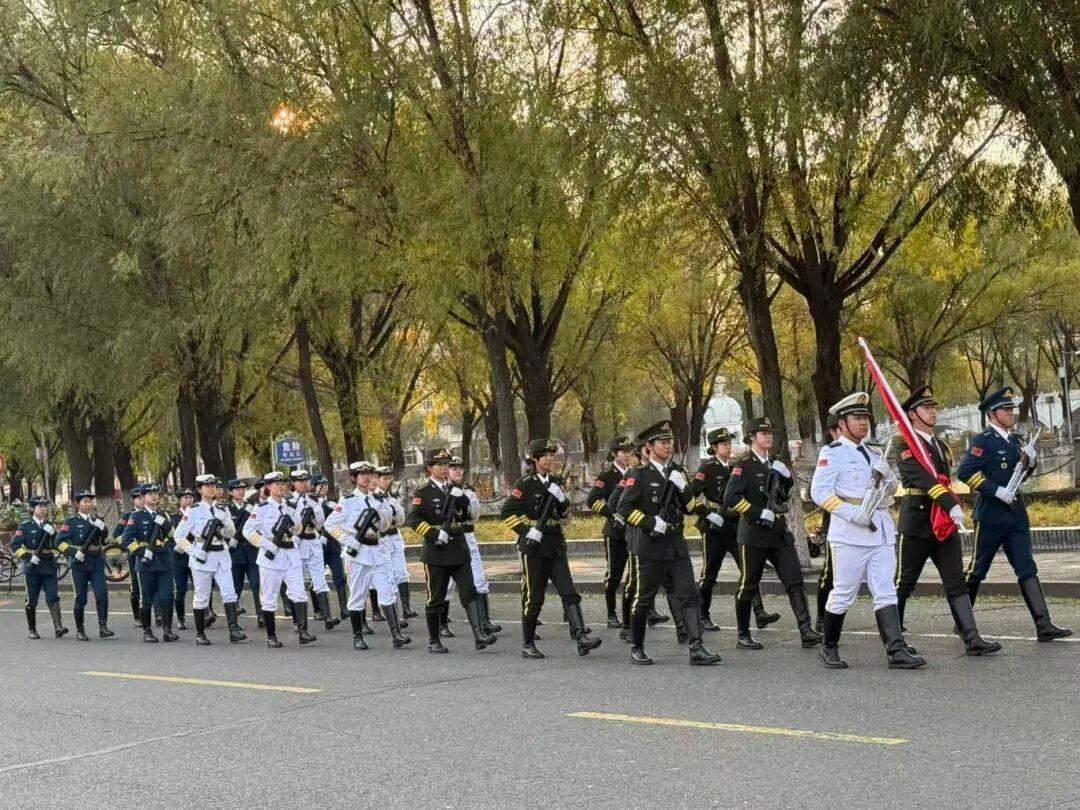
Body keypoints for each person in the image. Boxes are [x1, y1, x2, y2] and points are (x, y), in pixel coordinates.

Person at [811, 393, 924, 669]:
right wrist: (852, 513)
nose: (864, 423)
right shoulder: (832, 453)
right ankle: (828, 646)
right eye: (857, 418)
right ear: (842, 423)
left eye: (865, 418)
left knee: (885, 590)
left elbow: (891, 490)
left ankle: (895, 650)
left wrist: (889, 476)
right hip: (849, 535)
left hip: (880, 530)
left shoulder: (874, 453)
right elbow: (819, 492)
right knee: (844, 592)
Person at [958, 387, 1072, 641]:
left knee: (1026, 567)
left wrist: (1030, 463)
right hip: (990, 515)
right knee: (977, 569)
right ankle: (962, 622)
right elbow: (965, 473)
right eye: (1005, 409)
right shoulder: (983, 441)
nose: (1011, 413)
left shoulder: (1015, 441)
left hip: (1015, 514)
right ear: (992, 414)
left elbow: (1021, 476)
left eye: (1012, 409)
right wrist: (996, 491)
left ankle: (1043, 624)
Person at [894, 386, 1000, 656]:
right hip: (917, 521)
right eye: (926, 407)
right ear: (912, 414)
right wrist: (950, 503)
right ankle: (894, 638)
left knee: (956, 582)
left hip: (942, 522)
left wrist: (950, 507)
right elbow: (922, 479)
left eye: (934, 407)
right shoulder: (903, 443)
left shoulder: (940, 445)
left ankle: (972, 638)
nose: (933, 412)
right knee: (904, 582)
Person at [616, 421, 721, 666]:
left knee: (690, 595)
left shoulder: (677, 471)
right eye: (662, 442)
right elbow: (624, 507)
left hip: (675, 544)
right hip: (650, 546)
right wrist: (650, 522)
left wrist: (683, 487)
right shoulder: (639, 474)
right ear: (649, 446)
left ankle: (696, 648)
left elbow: (689, 507)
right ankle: (637, 647)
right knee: (643, 599)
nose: (667, 446)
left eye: (669, 442)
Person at [724, 417, 822, 651]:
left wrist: (786, 477)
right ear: (751, 437)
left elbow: (784, 494)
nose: (768, 436)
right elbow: (731, 498)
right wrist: (758, 513)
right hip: (753, 535)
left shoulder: (774, 463)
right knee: (748, 585)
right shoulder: (743, 465)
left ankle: (806, 630)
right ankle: (743, 634)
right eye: (763, 433)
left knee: (794, 580)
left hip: (777, 533)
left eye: (770, 433)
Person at [501, 439, 601, 660]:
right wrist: (527, 530)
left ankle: (581, 636)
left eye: (551, 455)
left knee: (569, 592)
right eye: (545, 455)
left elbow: (563, 513)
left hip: (555, 543)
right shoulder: (525, 484)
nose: (550, 459)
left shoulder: (556, 481)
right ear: (535, 459)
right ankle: (528, 643)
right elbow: (506, 512)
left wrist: (562, 499)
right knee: (534, 598)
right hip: (534, 547)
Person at [407, 447, 497, 654]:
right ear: (430, 467)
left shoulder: (453, 488)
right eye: (440, 464)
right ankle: (434, 640)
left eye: (447, 464)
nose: (445, 468)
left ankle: (479, 635)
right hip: (437, 552)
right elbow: (413, 519)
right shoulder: (423, 491)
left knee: (469, 591)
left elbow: (465, 515)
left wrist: (462, 498)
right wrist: (433, 534)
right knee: (436, 598)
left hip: (458, 547)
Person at [691, 427, 780, 632]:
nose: (729, 447)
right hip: (714, 527)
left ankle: (759, 612)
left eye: (730, 443)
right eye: (724, 444)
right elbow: (691, 496)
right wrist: (707, 513)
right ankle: (703, 615)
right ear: (714, 447)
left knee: (748, 572)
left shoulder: (735, 467)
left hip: (735, 525)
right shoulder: (707, 468)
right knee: (709, 574)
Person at [325, 461, 410, 650]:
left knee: (387, 591)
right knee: (358, 595)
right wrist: (349, 541)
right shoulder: (347, 501)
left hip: (378, 550)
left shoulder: (378, 499)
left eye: (369, 474)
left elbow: (384, 526)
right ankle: (357, 636)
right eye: (362, 474)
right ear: (354, 478)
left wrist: (385, 511)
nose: (366, 477)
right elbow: (330, 525)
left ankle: (397, 634)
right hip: (358, 553)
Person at [172, 474, 245, 646]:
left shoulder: (222, 508)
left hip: (221, 553)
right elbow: (179, 536)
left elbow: (231, 532)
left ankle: (234, 630)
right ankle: (200, 633)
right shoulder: (193, 510)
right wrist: (193, 552)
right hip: (202, 555)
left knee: (229, 592)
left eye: (214, 485)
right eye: (207, 486)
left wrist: (224, 520)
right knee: (202, 597)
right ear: (199, 489)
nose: (212, 488)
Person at [243, 471, 312, 648]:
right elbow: (248, 531)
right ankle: (271, 635)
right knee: (269, 597)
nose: (281, 487)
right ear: (268, 487)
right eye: (277, 484)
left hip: (291, 554)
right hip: (271, 558)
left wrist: (293, 515)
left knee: (299, 593)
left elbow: (298, 529)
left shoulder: (290, 506)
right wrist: (267, 544)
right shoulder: (262, 508)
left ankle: (303, 631)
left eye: (283, 484)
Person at [445, 457, 500, 635]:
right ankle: (441, 623)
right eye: (453, 468)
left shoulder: (467, 491)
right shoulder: (442, 490)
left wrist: (469, 498)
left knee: (479, 579)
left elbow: (474, 517)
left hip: (468, 537)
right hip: (450, 539)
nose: (457, 471)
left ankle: (485, 621)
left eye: (460, 468)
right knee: (446, 585)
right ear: (446, 471)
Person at [587, 437, 636, 629]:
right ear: (614, 454)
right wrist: (611, 514)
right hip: (615, 532)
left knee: (638, 573)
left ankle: (646, 611)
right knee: (614, 575)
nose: (627, 455)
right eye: (623, 452)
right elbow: (593, 500)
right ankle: (611, 614)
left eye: (629, 452)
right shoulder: (607, 475)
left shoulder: (636, 472)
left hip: (634, 530)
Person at [121, 483, 179, 643]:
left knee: (167, 596)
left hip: (164, 560)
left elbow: (173, 536)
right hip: (146, 562)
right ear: (143, 497)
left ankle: (167, 630)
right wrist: (141, 551)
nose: (154, 496)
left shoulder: (164, 515)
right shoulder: (136, 516)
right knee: (145, 598)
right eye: (150, 494)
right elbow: (126, 539)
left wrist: (166, 525)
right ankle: (147, 631)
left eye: (155, 493)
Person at [56, 490, 114, 641]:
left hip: (96, 562)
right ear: (77, 504)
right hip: (80, 564)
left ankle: (103, 627)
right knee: (80, 597)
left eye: (90, 501)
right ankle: (80, 629)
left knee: (102, 594)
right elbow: (58, 542)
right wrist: (73, 552)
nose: (89, 504)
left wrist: (102, 527)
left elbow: (104, 540)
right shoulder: (71, 522)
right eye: (85, 501)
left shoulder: (95, 520)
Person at [12, 495, 67, 639]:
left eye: (45, 506)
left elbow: (56, 544)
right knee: (32, 599)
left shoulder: (49, 525)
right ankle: (32, 629)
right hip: (32, 567)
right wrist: (27, 557)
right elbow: (15, 545)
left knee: (53, 596)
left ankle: (58, 626)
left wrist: (54, 534)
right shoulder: (25, 526)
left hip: (48, 564)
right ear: (33, 509)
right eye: (40, 506)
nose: (43, 509)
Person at [288, 469, 338, 631]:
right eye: (300, 481)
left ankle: (327, 616)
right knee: (296, 583)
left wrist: (314, 509)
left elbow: (320, 523)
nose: (304, 484)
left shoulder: (313, 500)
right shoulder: (288, 501)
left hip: (313, 541)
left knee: (320, 580)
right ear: (293, 483)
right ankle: (297, 621)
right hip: (298, 543)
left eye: (306, 481)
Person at [813, 414, 841, 633]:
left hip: (865, 522)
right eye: (839, 429)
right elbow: (818, 491)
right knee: (830, 573)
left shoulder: (864, 451)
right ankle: (822, 617)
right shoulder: (830, 453)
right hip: (837, 520)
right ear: (833, 432)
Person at [226, 479, 262, 629]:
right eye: (237, 489)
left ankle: (261, 615)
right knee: (235, 587)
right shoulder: (226, 509)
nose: (240, 491)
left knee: (257, 584)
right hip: (235, 552)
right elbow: (227, 529)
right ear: (230, 492)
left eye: (242, 489)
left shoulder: (252, 506)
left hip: (252, 551)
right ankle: (234, 620)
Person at [313, 475, 349, 622]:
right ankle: (319, 610)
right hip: (317, 545)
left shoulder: (332, 504)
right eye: (320, 485)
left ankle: (344, 608)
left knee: (340, 576)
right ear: (313, 487)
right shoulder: (311, 504)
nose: (324, 488)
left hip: (333, 543)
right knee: (317, 578)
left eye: (326, 484)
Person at [116, 485, 146, 627]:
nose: (142, 500)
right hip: (134, 553)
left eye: (143, 497)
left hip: (151, 552)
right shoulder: (127, 516)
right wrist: (129, 545)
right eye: (139, 498)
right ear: (133, 500)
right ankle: (137, 617)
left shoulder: (152, 514)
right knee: (135, 585)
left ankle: (158, 613)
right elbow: (117, 534)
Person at [171, 488, 195, 629]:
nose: (189, 500)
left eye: (190, 497)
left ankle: (206, 613)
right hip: (179, 557)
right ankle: (181, 618)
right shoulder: (173, 517)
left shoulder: (197, 514)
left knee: (200, 586)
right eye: (185, 498)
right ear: (179, 500)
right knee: (180, 588)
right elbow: (170, 536)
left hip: (194, 554)